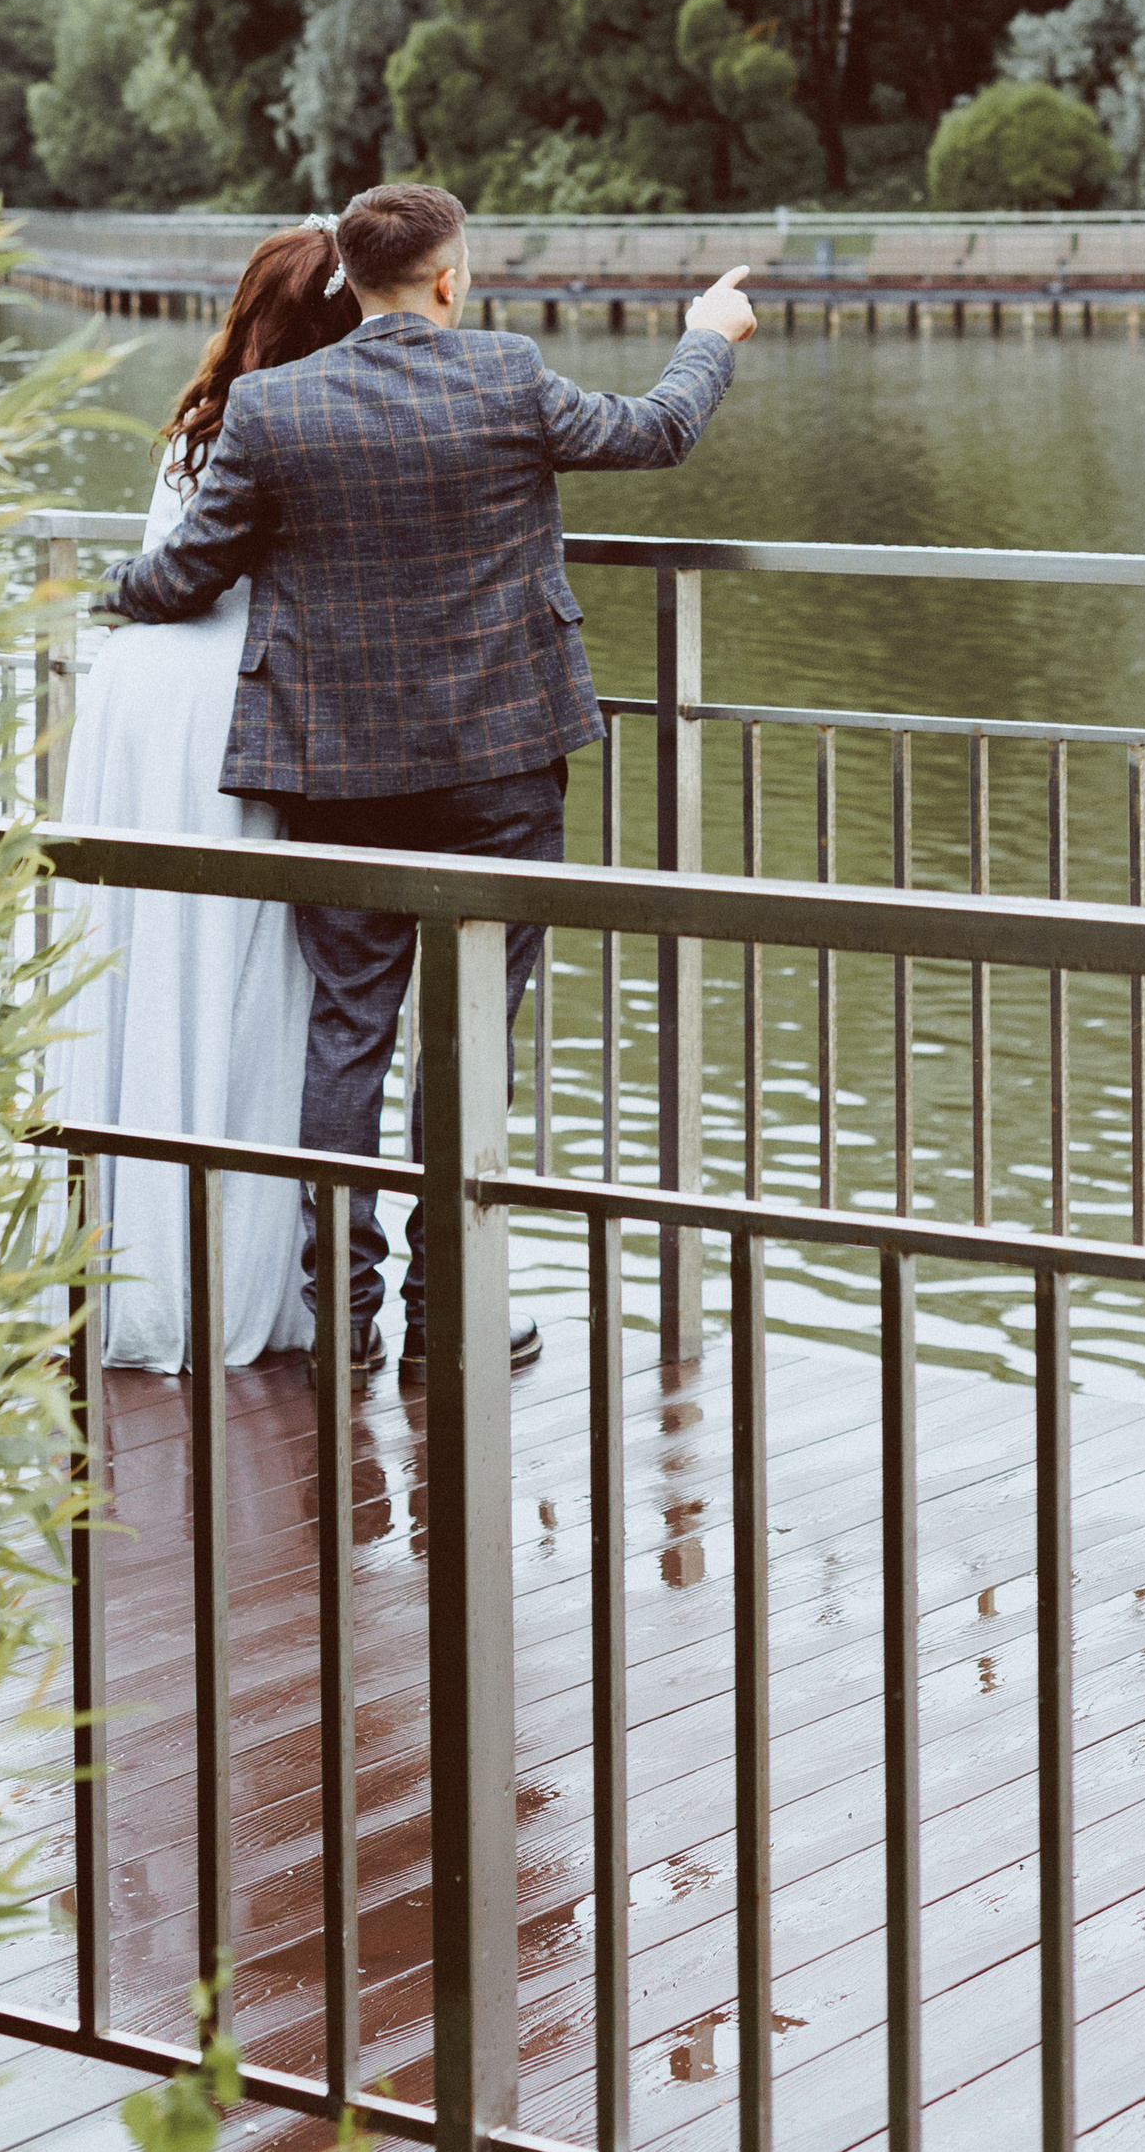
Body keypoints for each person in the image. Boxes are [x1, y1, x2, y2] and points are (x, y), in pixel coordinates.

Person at [101, 181, 757, 1377]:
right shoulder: (503, 375)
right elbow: (657, 430)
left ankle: (341, 1319)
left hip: (337, 771)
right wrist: (705, 339)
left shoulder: (272, 405)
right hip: (500, 766)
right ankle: (447, 1315)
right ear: (450, 278)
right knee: (468, 1044)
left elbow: (186, 576)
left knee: (346, 1036)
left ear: (349, 281)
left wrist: (108, 589)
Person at [50, 223, 358, 1368]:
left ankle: (121, 1262)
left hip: (139, 705)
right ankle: (240, 1274)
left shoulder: (197, 423)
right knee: (247, 974)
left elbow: (166, 574)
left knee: (144, 961)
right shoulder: (309, 431)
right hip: (239, 708)